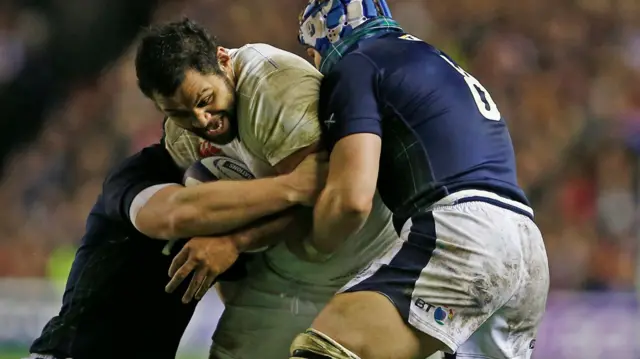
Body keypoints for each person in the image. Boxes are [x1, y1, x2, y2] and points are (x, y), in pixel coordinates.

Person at [289, 1, 550, 359]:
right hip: (527, 248)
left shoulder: (358, 62)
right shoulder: (428, 56)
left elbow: (351, 200)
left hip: (462, 233)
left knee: (327, 344)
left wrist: (302, 253)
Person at [133, 18, 399, 359]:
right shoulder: (180, 138)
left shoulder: (272, 85)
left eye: (205, 99)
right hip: (294, 268)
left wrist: (235, 241)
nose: (201, 121)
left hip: (370, 252)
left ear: (224, 61)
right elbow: (220, 238)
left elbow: (318, 199)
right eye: (179, 113)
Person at [25, 136, 324, 359]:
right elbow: (173, 217)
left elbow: (243, 304)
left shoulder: (237, 213)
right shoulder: (140, 172)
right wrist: (293, 187)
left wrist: (238, 242)